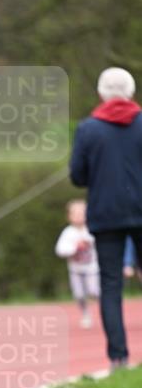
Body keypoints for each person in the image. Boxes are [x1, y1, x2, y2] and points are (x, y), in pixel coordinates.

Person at [69, 67, 142, 369]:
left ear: (101, 93)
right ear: (131, 91)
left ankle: (118, 356)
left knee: (110, 285)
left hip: (105, 214)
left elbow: (77, 176)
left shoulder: (88, 129)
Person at [54, 200, 100, 328]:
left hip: (92, 269)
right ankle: (85, 314)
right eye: (76, 214)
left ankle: (106, 309)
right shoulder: (68, 233)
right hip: (75, 270)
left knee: (94, 291)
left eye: (82, 213)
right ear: (69, 216)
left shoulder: (92, 229)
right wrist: (75, 248)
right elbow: (60, 250)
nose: (80, 216)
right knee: (79, 295)